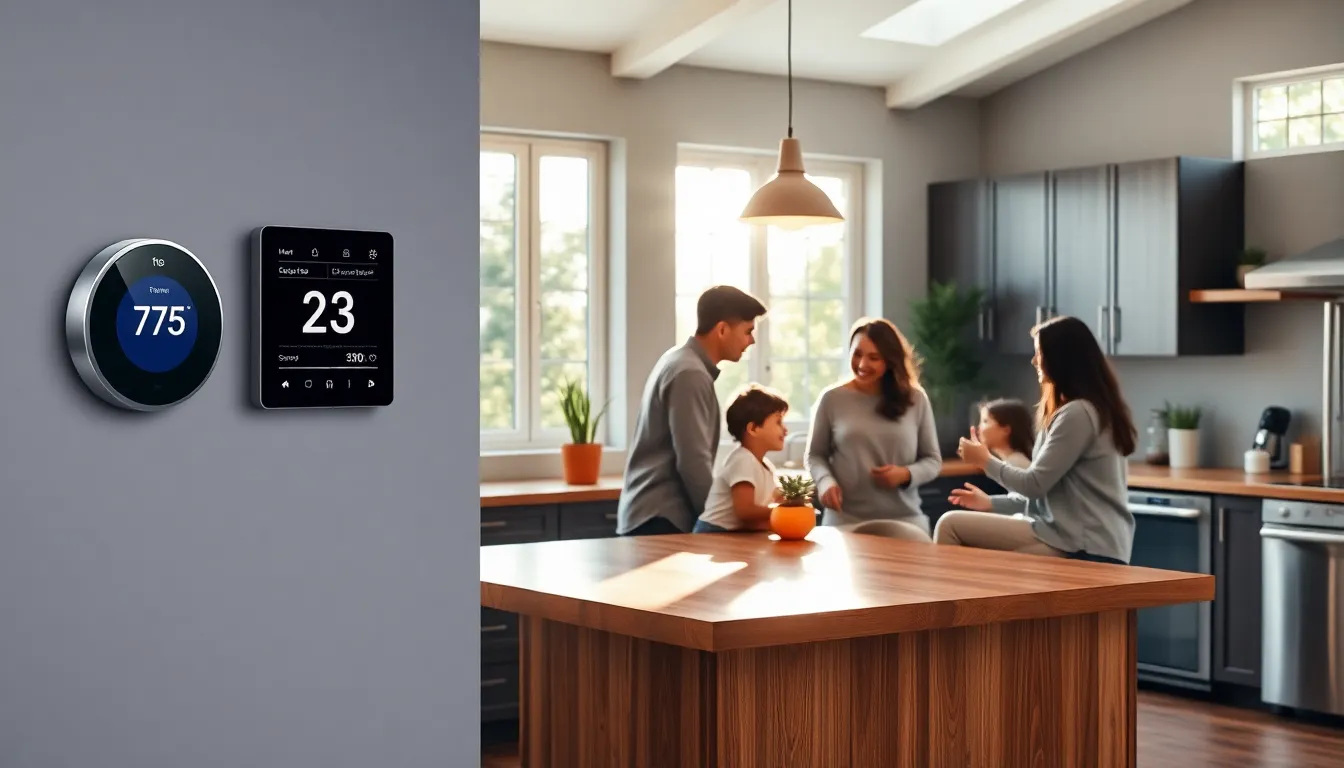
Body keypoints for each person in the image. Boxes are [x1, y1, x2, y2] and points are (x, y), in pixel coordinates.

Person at [934, 315, 1137, 564]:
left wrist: (985, 461)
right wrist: (989, 503)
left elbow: (1034, 485)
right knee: (987, 563)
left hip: (1085, 545)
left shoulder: (1078, 414)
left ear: (1059, 359)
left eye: (1039, 353)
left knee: (951, 525)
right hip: (1070, 538)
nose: (1034, 360)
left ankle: (950, 604)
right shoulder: (1079, 410)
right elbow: (1041, 494)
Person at [616, 285, 767, 536]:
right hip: (660, 519)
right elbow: (693, 461)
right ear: (722, 330)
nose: (751, 341)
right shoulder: (690, 374)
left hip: (652, 517)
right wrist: (716, 521)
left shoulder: (679, 360)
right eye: (748, 331)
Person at [805, 317, 942, 541]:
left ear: (889, 361)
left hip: (905, 520)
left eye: (873, 358)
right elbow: (814, 456)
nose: (861, 364)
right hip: (843, 522)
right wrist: (824, 481)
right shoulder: (831, 399)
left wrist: (905, 474)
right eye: (857, 354)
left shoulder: (915, 399)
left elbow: (933, 461)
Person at [693, 385, 789, 533]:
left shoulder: (766, 466)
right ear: (754, 429)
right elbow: (745, 511)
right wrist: (784, 512)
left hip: (733, 534)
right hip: (714, 533)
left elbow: (777, 499)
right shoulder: (743, 460)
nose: (785, 429)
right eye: (778, 422)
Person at [977, 398, 1034, 469]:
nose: (979, 427)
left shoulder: (1016, 465)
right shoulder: (1013, 463)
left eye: (985, 421)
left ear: (1006, 430)